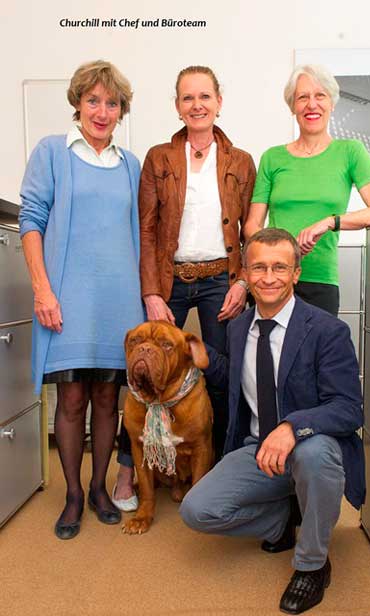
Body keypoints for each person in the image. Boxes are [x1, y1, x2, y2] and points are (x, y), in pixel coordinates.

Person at [179, 228, 364, 614]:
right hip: (257, 448)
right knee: (197, 511)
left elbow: (348, 408)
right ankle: (283, 521)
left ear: (296, 273)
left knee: (314, 453)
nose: (268, 277)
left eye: (279, 267)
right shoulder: (238, 327)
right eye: (259, 267)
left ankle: (312, 565)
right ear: (245, 273)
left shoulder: (327, 331)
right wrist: (208, 361)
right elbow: (245, 381)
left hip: (310, 447)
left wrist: (292, 427)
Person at [113, 65, 256, 509]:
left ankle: (221, 474)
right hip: (169, 278)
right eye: (188, 97)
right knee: (142, 372)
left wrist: (243, 281)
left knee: (221, 375)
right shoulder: (159, 158)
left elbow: (250, 231)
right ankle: (127, 471)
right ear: (177, 106)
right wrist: (152, 292)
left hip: (220, 280)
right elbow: (147, 229)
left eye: (205, 96)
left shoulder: (240, 161)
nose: (197, 105)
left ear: (219, 102)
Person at [19, 60, 145, 540]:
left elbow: (140, 234)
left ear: (121, 111)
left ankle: (98, 488)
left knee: (109, 398)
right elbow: (31, 221)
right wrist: (42, 289)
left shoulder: (130, 165)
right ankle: (72, 494)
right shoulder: (52, 152)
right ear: (78, 103)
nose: (102, 111)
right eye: (93, 100)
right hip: (67, 298)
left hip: (118, 301)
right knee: (72, 398)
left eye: (111, 103)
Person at [244, 64, 370, 316]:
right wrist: (278, 254)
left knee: (318, 343)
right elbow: (251, 225)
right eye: (303, 97)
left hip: (321, 281)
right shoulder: (272, 157)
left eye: (320, 95)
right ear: (293, 106)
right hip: (272, 281)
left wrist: (329, 222)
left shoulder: (351, 152)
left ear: (331, 103)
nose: (312, 104)